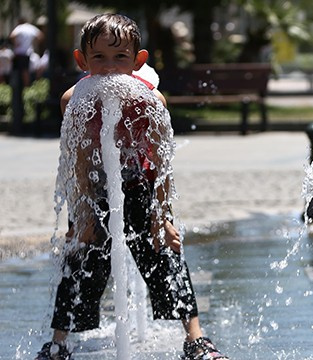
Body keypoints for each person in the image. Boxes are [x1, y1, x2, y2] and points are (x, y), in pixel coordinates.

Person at [35, 14, 228, 360]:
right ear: (82, 61)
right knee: (80, 261)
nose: (109, 68)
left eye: (120, 58)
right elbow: (76, 161)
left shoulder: (150, 100)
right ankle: (59, 343)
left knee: (165, 255)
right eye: (99, 59)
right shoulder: (74, 100)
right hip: (95, 190)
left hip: (139, 185)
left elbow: (163, 163)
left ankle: (195, 339)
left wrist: (163, 216)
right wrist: (81, 216)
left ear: (138, 61)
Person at [9, 17, 43, 86]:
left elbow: (12, 36)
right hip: (27, 52)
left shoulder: (20, 27)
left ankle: (18, 87)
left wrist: (16, 43)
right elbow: (40, 36)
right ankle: (26, 87)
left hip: (19, 52)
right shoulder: (31, 28)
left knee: (17, 71)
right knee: (25, 71)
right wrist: (34, 43)